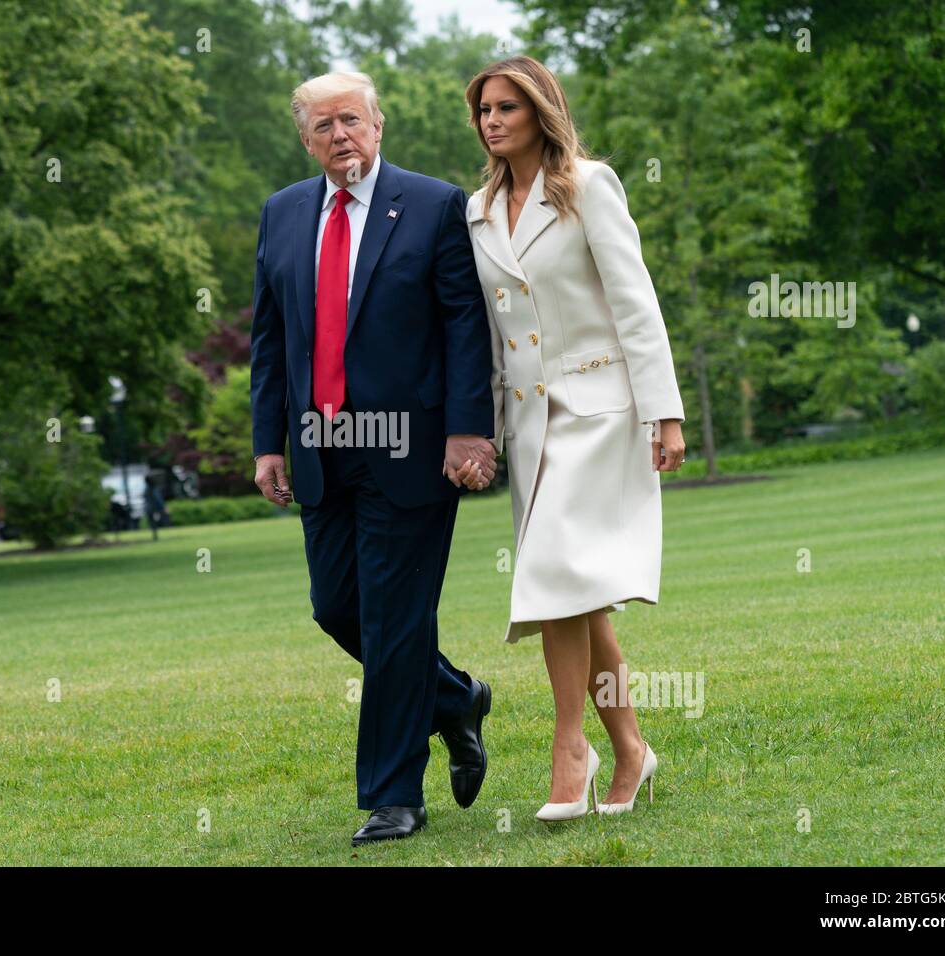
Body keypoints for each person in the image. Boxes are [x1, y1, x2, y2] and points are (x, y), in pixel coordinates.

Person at [249, 71, 497, 847]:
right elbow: (268, 338)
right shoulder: (283, 213)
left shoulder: (432, 204)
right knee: (338, 608)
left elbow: (464, 324)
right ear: (305, 139)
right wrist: (267, 442)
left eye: (350, 119)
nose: (339, 136)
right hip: (322, 449)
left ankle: (393, 797)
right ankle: (456, 697)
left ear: (378, 125)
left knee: (394, 620)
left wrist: (468, 430)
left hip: (410, 446)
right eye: (322, 126)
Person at [457, 56, 687, 821]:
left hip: (603, 413)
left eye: (506, 107)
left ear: (540, 110)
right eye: (484, 109)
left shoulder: (590, 186)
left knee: (558, 572)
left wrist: (666, 411)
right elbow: (494, 338)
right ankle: (630, 750)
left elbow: (636, 303)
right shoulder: (478, 209)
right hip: (531, 431)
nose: (492, 121)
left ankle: (569, 750)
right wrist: (482, 436)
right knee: (580, 593)